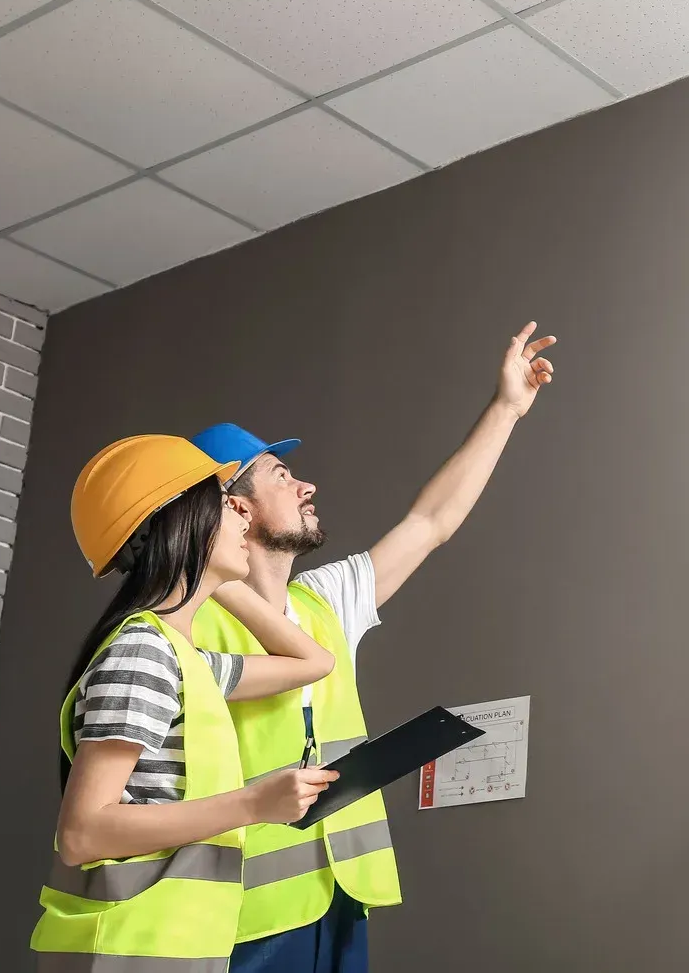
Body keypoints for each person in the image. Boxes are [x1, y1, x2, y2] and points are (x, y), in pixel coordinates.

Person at [189, 322, 558, 972]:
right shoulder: (188, 626)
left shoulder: (323, 602)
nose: (307, 487)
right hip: (243, 919)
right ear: (234, 508)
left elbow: (431, 522)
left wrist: (505, 408)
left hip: (339, 901)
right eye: (283, 475)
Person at [31, 434, 346, 972]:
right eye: (226, 504)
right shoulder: (142, 654)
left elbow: (312, 663)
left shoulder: (184, 660)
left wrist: (208, 576)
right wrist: (253, 804)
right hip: (128, 952)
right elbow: (82, 833)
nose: (243, 512)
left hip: (174, 948)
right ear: (184, 523)